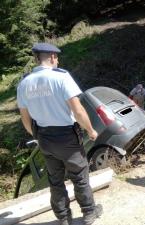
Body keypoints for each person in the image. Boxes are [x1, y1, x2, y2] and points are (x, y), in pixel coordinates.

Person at [17, 43, 102, 225]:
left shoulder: (24, 83)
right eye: (57, 57)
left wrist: (36, 135)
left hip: (44, 138)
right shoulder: (61, 78)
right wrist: (90, 130)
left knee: (55, 181)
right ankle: (89, 212)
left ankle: (63, 218)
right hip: (66, 136)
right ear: (53, 57)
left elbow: (25, 118)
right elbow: (78, 110)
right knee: (79, 175)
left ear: (37, 58)